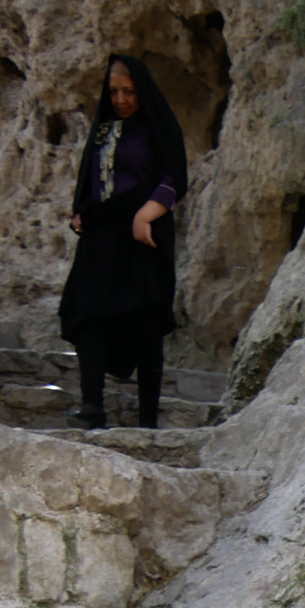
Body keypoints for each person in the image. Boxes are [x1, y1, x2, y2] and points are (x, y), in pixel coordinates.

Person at [58, 54, 187, 430]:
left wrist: (144, 215)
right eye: (113, 91)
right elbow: (91, 178)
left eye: (129, 91)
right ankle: (92, 406)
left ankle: (148, 420)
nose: (120, 100)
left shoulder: (157, 127)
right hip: (102, 237)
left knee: (145, 321)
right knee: (90, 315)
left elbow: (174, 176)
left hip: (142, 235)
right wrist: (82, 211)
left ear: (142, 91)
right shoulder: (104, 129)